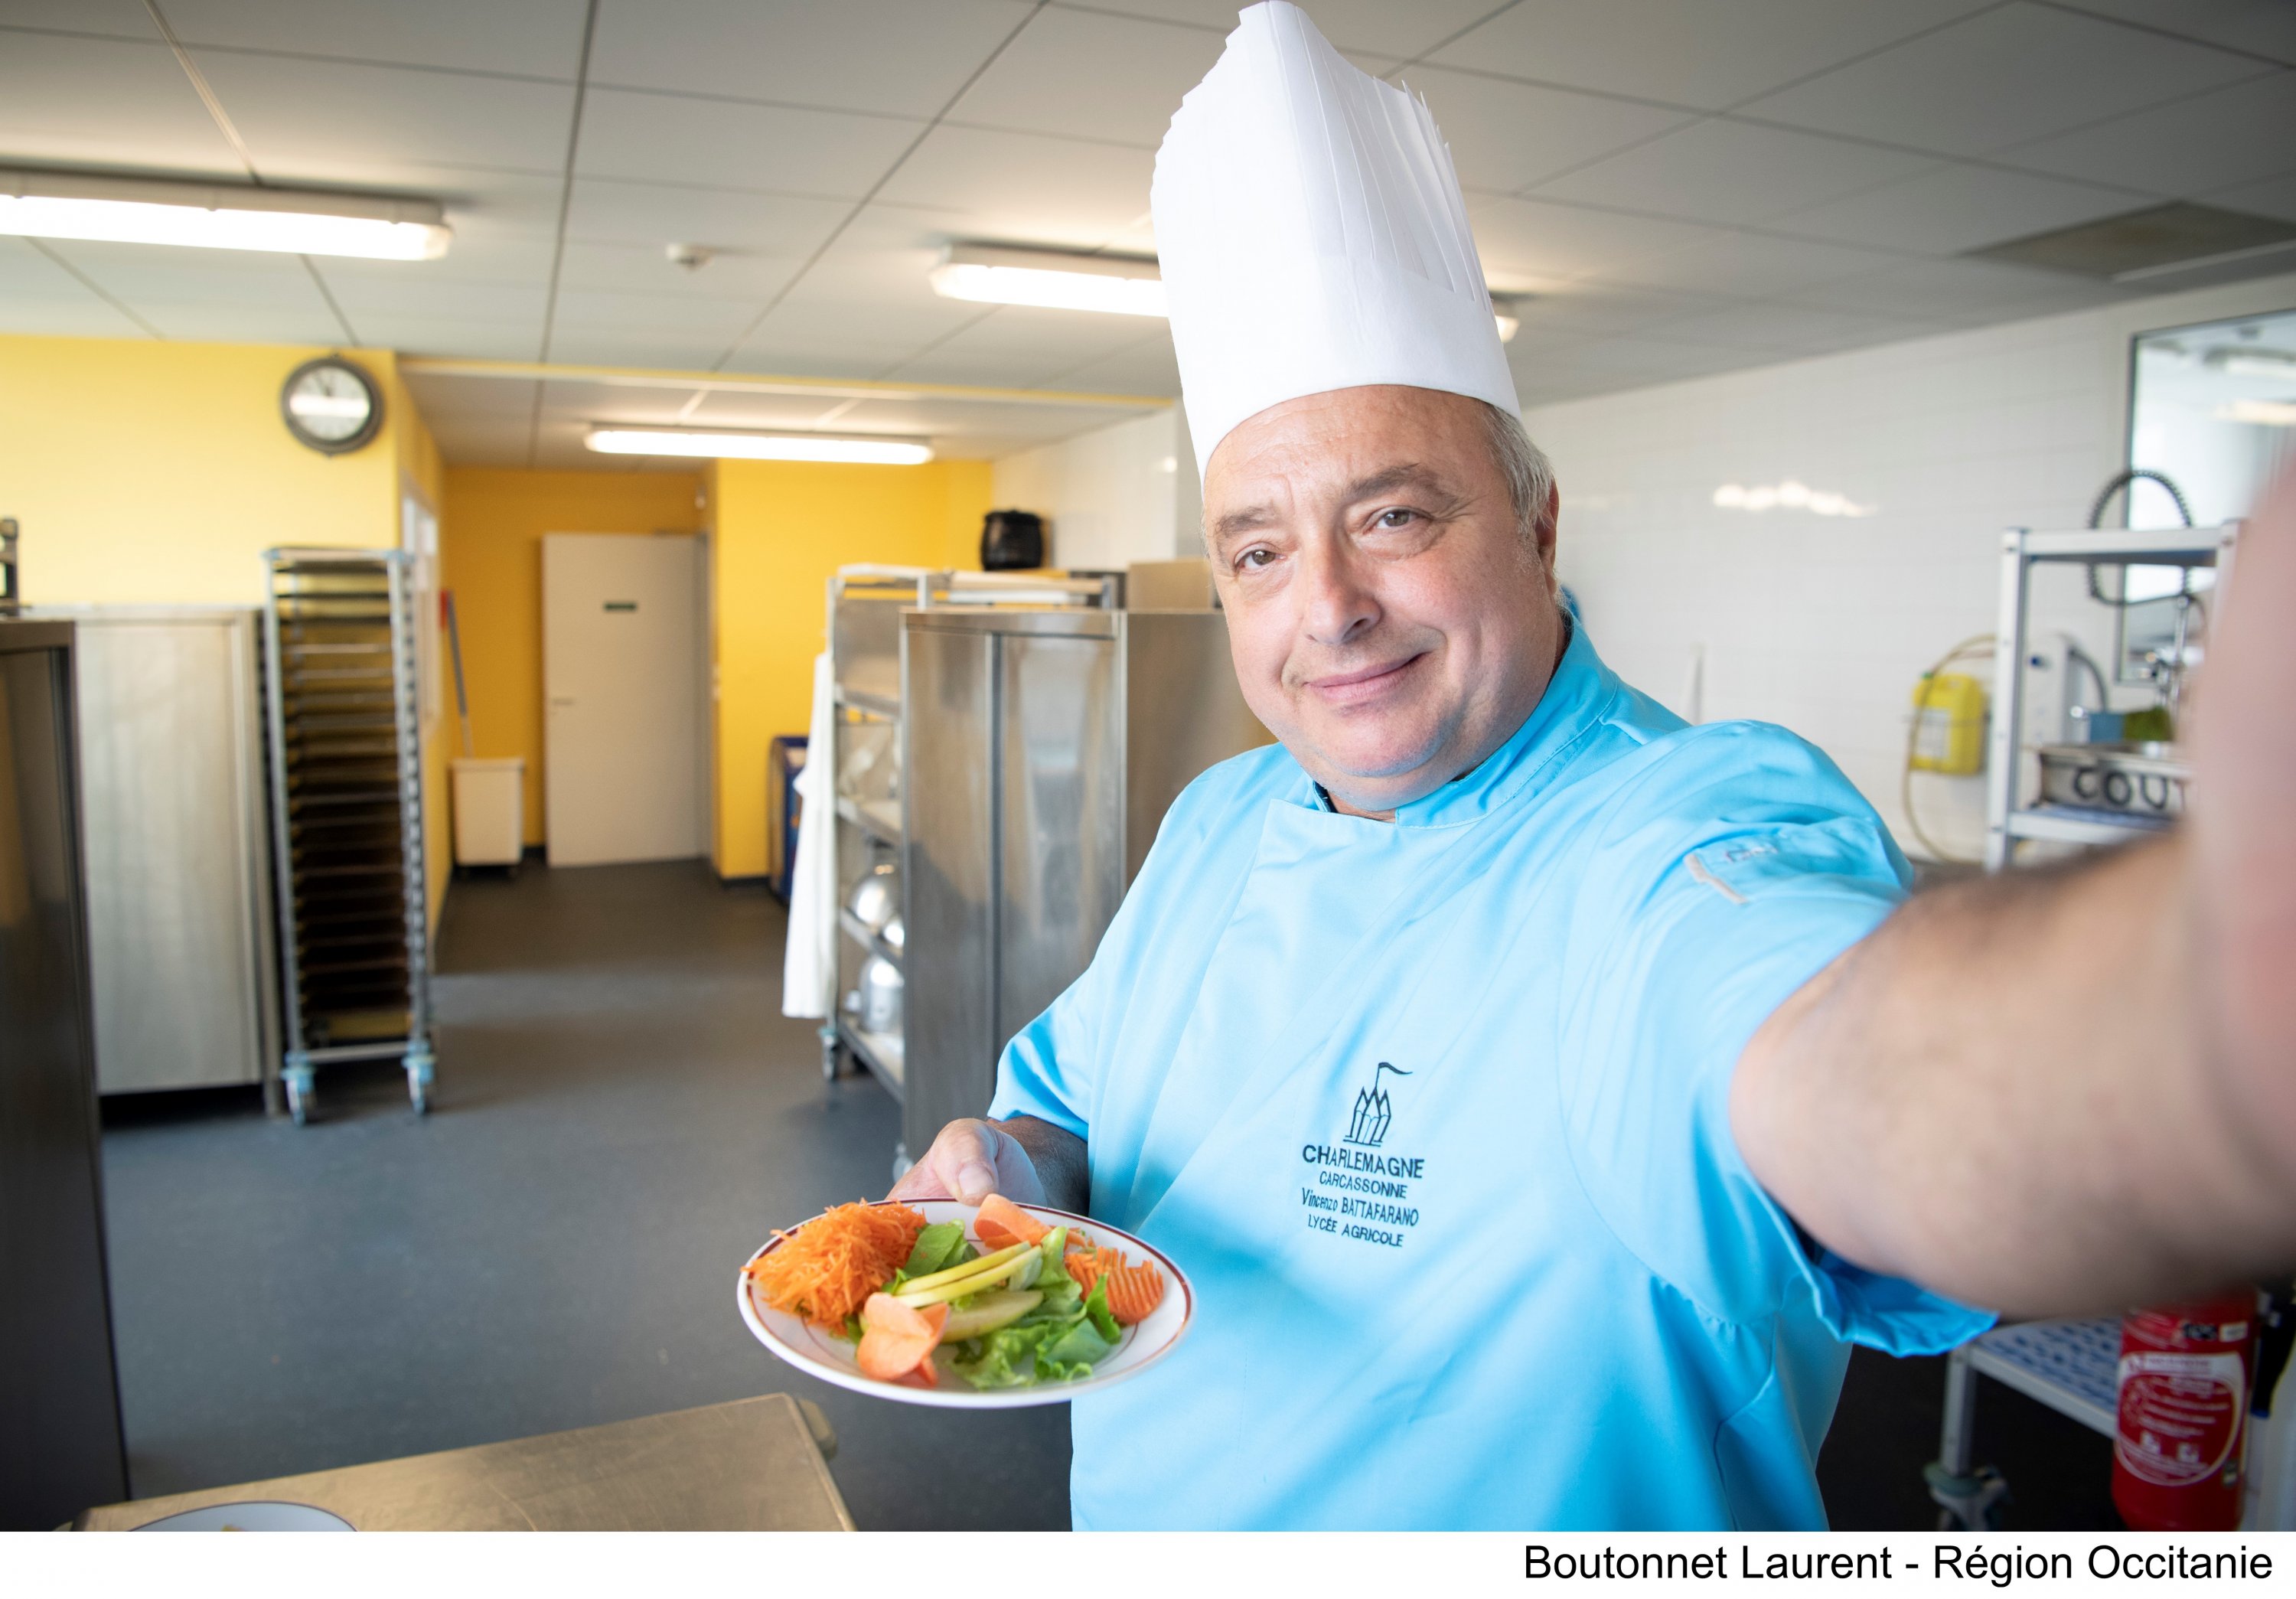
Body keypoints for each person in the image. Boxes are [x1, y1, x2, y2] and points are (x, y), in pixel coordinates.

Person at [889, 2, 2296, 1529]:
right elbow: (1080, 1116)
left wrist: (2222, 1000)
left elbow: (1847, 1059)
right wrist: (1009, 1171)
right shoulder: (1219, 817)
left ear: (1539, 526)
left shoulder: (1682, 833)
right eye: (1259, 551)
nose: (1329, 606)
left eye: (1393, 516)